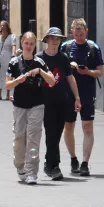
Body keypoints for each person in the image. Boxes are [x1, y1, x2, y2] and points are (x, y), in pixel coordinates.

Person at [5, 32, 54, 185]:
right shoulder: (14, 63)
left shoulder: (39, 62)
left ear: (35, 45)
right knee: (19, 137)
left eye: (31, 44)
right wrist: (18, 80)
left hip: (37, 105)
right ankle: (20, 165)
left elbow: (52, 81)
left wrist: (40, 71)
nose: (28, 46)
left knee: (33, 137)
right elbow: (7, 84)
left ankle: (32, 172)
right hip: (19, 105)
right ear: (22, 44)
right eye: (26, 43)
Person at [61, 19, 104, 176]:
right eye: (76, 34)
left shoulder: (93, 48)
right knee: (69, 126)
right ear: (72, 32)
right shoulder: (65, 47)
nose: (78, 37)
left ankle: (85, 162)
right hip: (68, 92)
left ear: (86, 31)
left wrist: (88, 72)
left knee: (87, 126)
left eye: (81, 34)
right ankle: (73, 159)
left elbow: (100, 72)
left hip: (87, 92)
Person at [37, 27, 81, 181]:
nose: (55, 41)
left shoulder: (63, 58)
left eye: (57, 38)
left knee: (57, 134)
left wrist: (76, 97)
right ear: (47, 40)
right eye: (52, 38)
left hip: (62, 101)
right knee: (51, 134)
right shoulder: (39, 59)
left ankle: (50, 164)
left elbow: (70, 78)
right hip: (45, 102)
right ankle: (54, 166)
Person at [0, 20, 18, 100]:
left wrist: (13, 55)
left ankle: (7, 94)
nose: (2, 27)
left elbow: (13, 46)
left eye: (4, 25)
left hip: (7, 56)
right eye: (1, 25)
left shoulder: (12, 36)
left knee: (6, 75)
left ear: (7, 27)